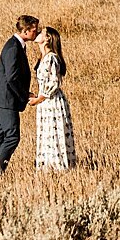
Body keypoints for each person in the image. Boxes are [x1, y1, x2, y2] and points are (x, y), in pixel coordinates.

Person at [0, 14, 40, 174]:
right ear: (25, 30)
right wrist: (24, 95)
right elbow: (12, 78)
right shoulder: (13, 48)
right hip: (7, 99)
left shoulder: (15, 45)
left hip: (5, 99)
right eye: (34, 30)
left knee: (1, 135)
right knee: (12, 136)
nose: (36, 32)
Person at [29, 26, 76, 171]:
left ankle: (58, 166)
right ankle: (48, 166)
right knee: (47, 133)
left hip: (52, 101)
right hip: (45, 101)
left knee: (54, 133)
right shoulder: (42, 58)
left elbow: (54, 82)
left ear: (48, 38)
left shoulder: (51, 58)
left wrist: (39, 99)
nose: (37, 33)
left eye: (41, 32)